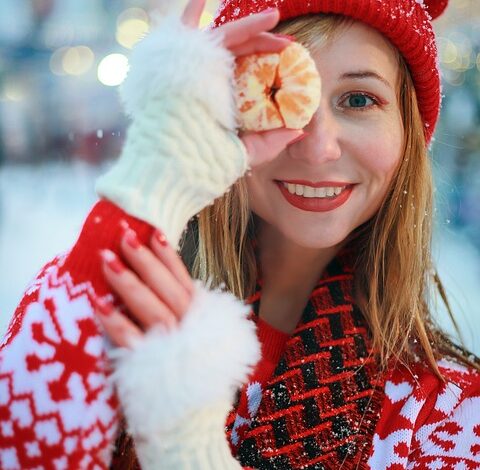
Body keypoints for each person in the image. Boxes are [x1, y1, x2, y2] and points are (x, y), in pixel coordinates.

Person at [1, 0, 479, 468]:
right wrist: (147, 191)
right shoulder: (94, 305)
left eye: (358, 99)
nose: (318, 147)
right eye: (276, 91)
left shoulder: (450, 415)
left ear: (407, 133)